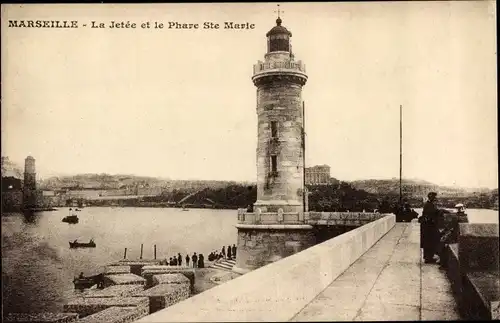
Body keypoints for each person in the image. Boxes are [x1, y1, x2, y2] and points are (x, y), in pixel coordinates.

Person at [418, 192, 443, 264]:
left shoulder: (429, 204)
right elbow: (432, 214)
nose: (435, 198)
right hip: (429, 227)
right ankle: (428, 258)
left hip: (428, 226)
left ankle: (428, 257)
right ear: (431, 197)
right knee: (429, 242)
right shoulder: (429, 205)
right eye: (434, 197)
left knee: (429, 242)